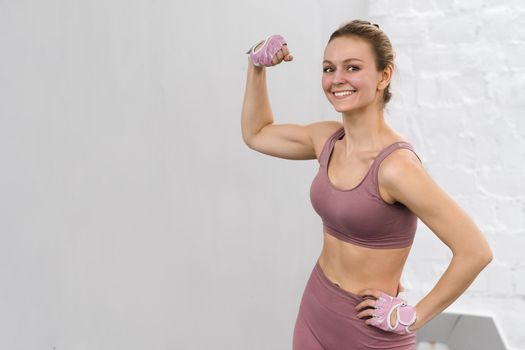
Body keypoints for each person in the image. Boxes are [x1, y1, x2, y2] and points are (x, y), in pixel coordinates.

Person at [241, 19, 493, 350]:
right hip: (316, 310)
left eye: (353, 67)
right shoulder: (327, 139)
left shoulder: (397, 168)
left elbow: (475, 251)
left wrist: (413, 316)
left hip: (370, 333)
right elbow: (256, 134)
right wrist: (256, 66)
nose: (337, 79)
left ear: (384, 76)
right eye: (329, 68)